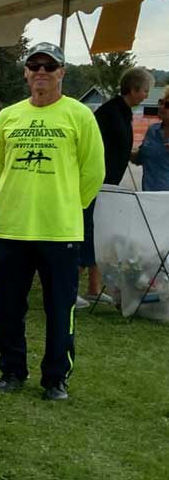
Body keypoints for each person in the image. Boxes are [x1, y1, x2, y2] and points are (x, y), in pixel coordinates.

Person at [0, 42, 104, 401]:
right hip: (12, 227)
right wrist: (18, 196)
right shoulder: (8, 116)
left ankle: (55, 377)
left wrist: (67, 203)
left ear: (61, 72)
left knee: (59, 307)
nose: (41, 72)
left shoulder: (79, 115)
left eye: (49, 66)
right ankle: (12, 370)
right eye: (35, 65)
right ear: (26, 72)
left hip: (59, 229)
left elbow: (93, 172)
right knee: (9, 305)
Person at [81, 67, 152, 306]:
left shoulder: (124, 112)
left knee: (100, 234)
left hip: (109, 185)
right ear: (133, 89)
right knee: (87, 232)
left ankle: (94, 287)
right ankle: (71, 288)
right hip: (96, 183)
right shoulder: (110, 112)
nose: (146, 95)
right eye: (145, 90)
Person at [134, 86, 169, 191]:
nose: (162, 107)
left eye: (167, 105)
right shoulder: (152, 130)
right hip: (148, 195)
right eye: (161, 102)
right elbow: (140, 158)